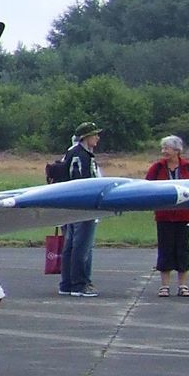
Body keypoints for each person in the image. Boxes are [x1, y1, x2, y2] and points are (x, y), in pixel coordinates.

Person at [144, 136, 189, 297]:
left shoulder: (187, 167)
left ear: (177, 150)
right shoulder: (157, 168)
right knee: (165, 249)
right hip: (164, 216)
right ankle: (164, 286)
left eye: (167, 148)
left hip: (184, 215)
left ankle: (183, 285)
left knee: (182, 249)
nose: (164, 152)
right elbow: (146, 186)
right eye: (163, 148)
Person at [57, 122, 102, 297]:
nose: (97, 138)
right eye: (94, 135)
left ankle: (66, 283)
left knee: (70, 246)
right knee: (82, 247)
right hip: (83, 206)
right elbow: (85, 182)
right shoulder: (83, 156)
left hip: (68, 206)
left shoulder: (70, 153)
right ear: (86, 137)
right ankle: (80, 284)